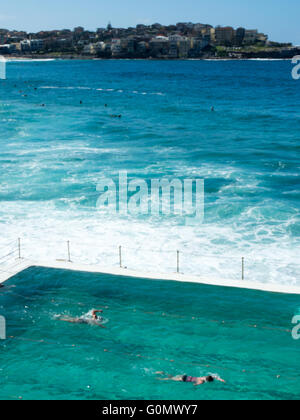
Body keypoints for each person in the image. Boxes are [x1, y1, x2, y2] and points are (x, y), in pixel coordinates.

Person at [157, 372, 225, 386]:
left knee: (172, 376)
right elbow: (194, 384)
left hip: (185, 376)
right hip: (183, 379)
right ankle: (160, 379)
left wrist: (221, 379)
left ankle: (163, 373)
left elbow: (214, 376)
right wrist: (195, 385)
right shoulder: (202, 381)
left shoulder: (204, 377)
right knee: (169, 379)